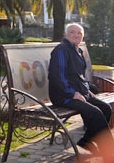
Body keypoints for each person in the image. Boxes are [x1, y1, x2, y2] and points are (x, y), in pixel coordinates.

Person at [48, 23, 114, 155]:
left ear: (82, 36)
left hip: (79, 93)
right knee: (96, 113)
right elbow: (57, 76)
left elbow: (79, 76)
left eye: (79, 33)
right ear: (66, 35)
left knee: (106, 108)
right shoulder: (61, 50)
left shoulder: (78, 51)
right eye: (72, 32)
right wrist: (72, 93)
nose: (76, 35)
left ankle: (86, 141)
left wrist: (87, 90)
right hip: (63, 96)